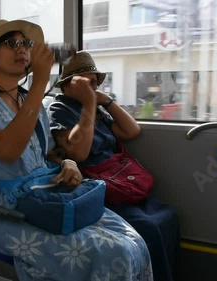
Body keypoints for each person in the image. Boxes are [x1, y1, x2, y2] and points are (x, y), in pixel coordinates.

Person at [0, 19, 153, 281]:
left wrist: (68, 164)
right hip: (9, 213)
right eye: (11, 43)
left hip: (48, 196)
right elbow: (8, 151)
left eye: (25, 44)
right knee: (114, 252)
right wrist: (41, 82)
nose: (22, 49)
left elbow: (50, 154)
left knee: (134, 242)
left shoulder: (33, 104)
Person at [47, 50, 180, 281]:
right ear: (67, 85)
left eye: (94, 82)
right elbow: (78, 152)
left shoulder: (95, 109)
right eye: (84, 83)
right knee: (147, 227)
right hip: (94, 185)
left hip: (118, 178)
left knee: (167, 216)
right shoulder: (60, 109)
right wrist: (89, 103)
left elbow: (131, 130)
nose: (91, 88)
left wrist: (105, 101)